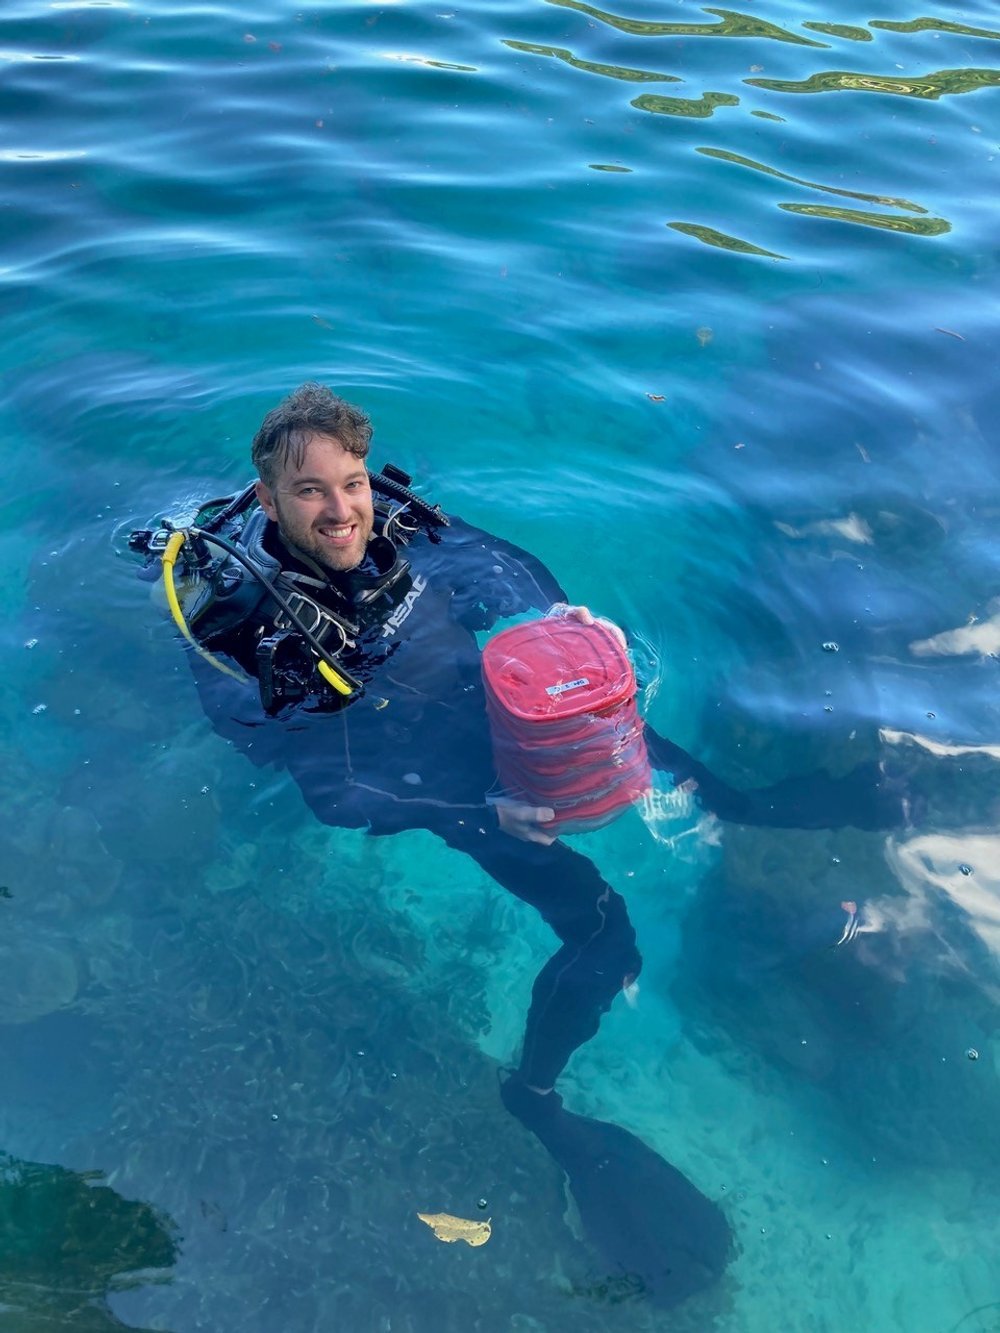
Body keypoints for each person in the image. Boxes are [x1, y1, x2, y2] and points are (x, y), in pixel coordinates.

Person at [132, 382, 902, 1303]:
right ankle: (534, 1098)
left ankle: (763, 805)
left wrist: (562, 628)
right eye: (310, 493)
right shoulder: (242, 624)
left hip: (502, 715)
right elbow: (324, 786)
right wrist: (469, 807)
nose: (341, 511)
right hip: (436, 777)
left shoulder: (398, 530)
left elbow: (509, 571)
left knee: (663, 754)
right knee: (606, 931)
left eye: (352, 483)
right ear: (267, 502)